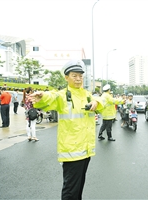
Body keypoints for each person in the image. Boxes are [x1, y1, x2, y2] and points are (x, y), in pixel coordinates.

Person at [28, 59, 103, 199]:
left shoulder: (86, 94)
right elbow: (51, 97)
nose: (78, 79)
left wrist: (96, 101)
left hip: (86, 150)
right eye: (74, 76)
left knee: (79, 186)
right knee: (70, 190)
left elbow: (102, 102)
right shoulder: (62, 95)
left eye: (81, 76)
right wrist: (42, 96)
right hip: (72, 151)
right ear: (66, 77)